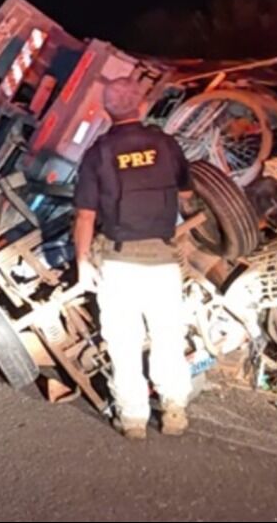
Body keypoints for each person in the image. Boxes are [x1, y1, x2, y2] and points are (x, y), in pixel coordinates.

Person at [72, 77, 194, 440]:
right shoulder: (166, 145)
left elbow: (85, 216)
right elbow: (187, 193)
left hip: (119, 264)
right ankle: (174, 411)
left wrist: (82, 261)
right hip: (163, 263)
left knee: (124, 341)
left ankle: (133, 420)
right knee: (168, 336)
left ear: (107, 110)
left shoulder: (99, 152)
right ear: (141, 105)